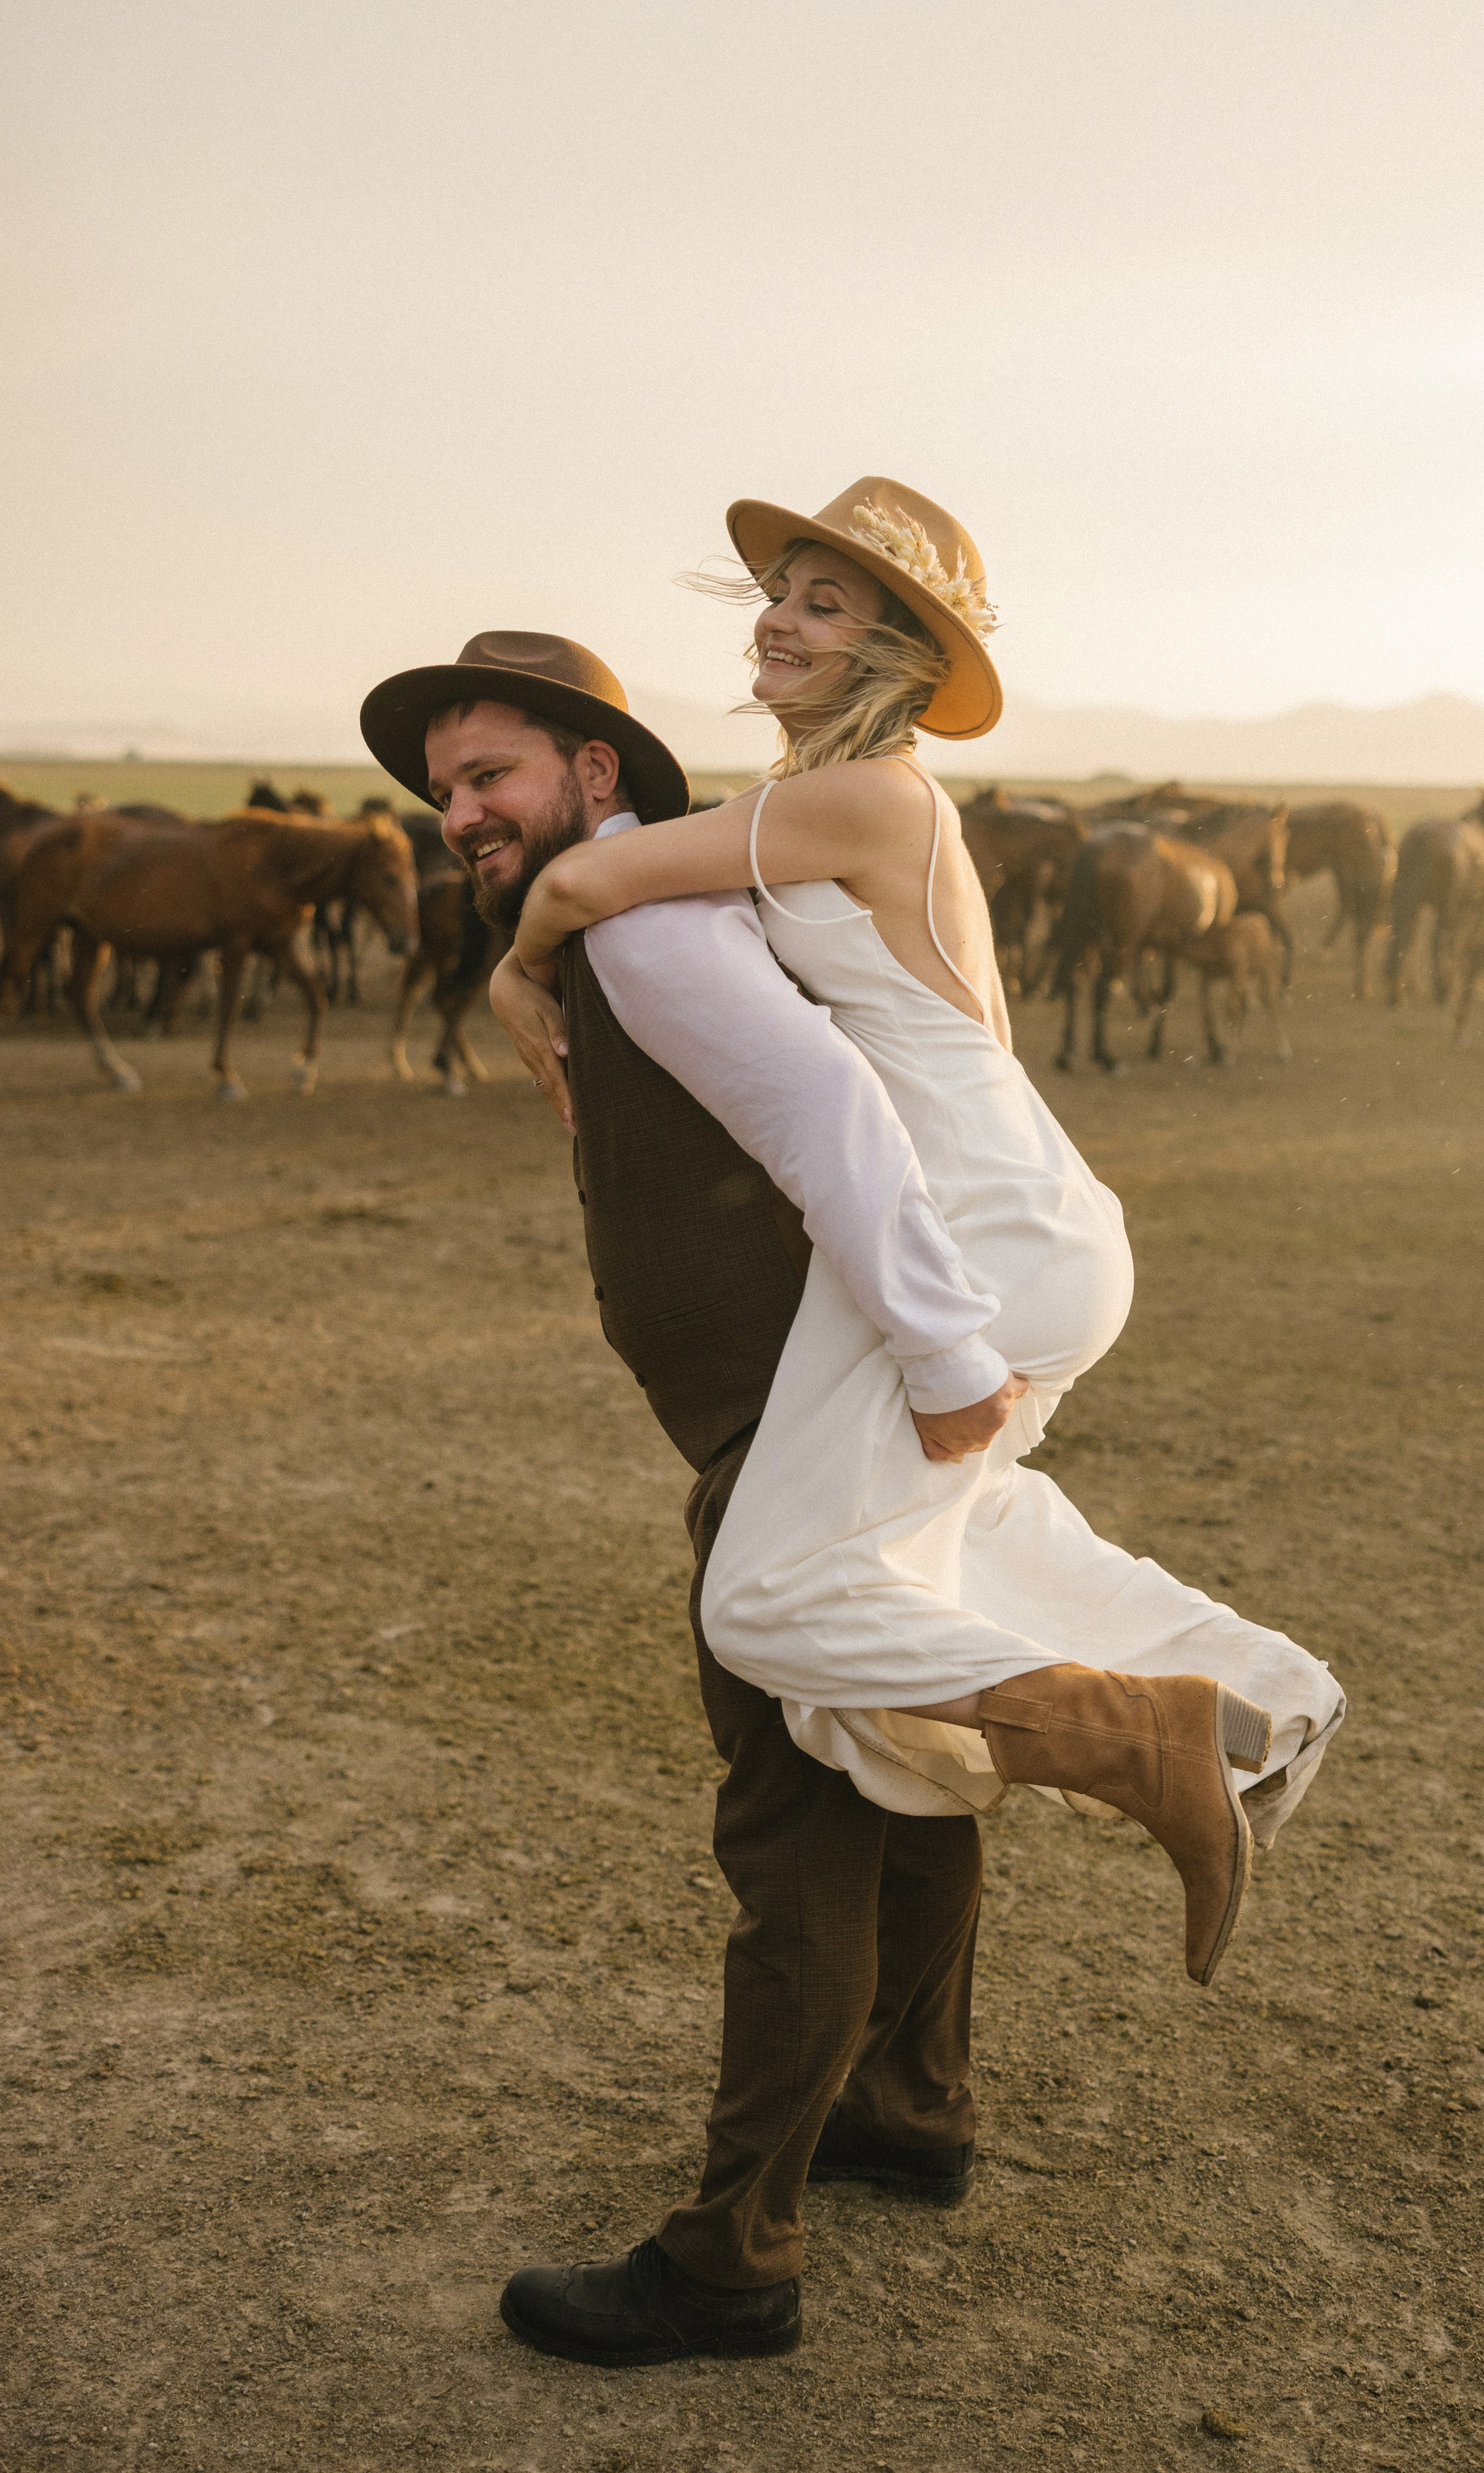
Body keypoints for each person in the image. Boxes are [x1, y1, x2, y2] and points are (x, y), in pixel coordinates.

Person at [491, 478, 1343, 1980]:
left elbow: (581, 873)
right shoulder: (836, 807)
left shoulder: (862, 795)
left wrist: (517, 967)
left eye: (828, 605)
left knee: (769, 1597)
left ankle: (1151, 1741)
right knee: (968, 1530)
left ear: (896, 660)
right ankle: (1257, 1695)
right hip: (1021, 1214)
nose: (781, 618)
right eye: (783, 592)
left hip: (980, 1235)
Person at [362, 627, 1028, 2371]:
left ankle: (734, 2256)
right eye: (441, 790)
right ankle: (911, 2095)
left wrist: (948, 1359)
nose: (455, 812)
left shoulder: (646, 924)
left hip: (797, 1424)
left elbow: (832, 1119)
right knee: (887, 1739)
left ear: (596, 772)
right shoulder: (616, 924)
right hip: (805, 1402)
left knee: (792, 1797)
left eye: (487, 774)